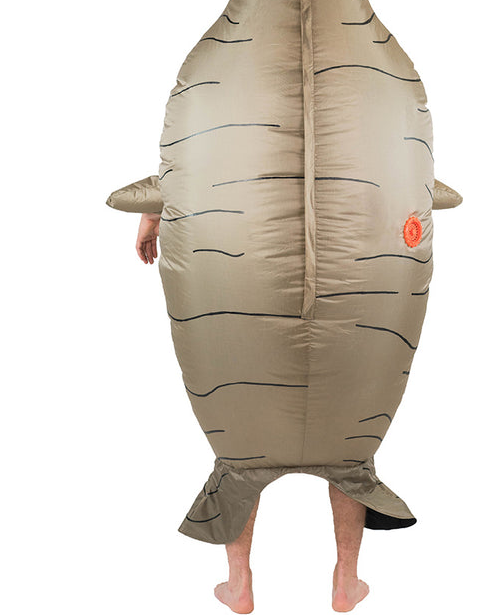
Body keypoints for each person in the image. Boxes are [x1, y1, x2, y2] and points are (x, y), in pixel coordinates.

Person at [136, 212, 370, 613]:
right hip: (344, 261)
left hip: (248, 256)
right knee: (349, 452)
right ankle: (346, 581)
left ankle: (239, 583)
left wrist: (152, 213)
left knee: (242, 451)